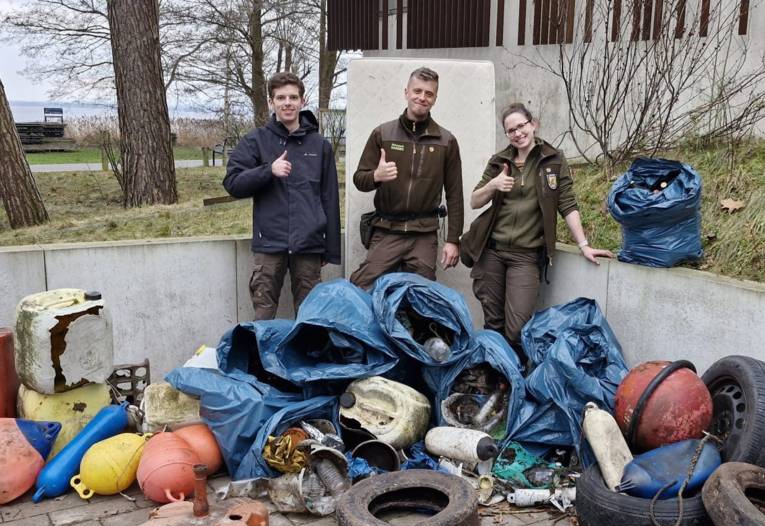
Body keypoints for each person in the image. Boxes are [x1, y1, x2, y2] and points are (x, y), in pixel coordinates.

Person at [460, 103, 613, 359]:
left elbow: (567, 203)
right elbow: (475, 200)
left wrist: (584, 244)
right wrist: (494, 185)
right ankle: (497, 377)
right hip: (492, 253)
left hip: (526, 256)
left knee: (518, 326)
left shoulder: (553, 159)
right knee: (493, 322)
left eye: (521, 126)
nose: (517, 133)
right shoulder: (500, 161)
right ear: (506, 134)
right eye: (511, 130)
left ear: (533, 124)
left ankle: (514, 372)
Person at [223, 72, 340, 320]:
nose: (287, 102)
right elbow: (233, 183)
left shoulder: (320, 146)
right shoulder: (256, 140)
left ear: (302, 101)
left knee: (311, 318)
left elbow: (330, 199)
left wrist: (329, 250)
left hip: (308, 245)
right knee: (264, 314)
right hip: (270, 244)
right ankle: (259, 360)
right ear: (271, 102)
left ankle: (306, 358)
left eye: (293, 97)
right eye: (281, 97)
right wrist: (268, 171)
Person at [349, 67, 464, 290]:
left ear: (435, 98)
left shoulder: (446, 141)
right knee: (360, 287)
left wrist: (453, 240)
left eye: (429, 93)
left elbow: (455, 195)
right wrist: (376, 176)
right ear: (406, 92)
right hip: (386, 230)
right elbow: (358, 180)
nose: (422, 97)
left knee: (423, 298)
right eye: (417, 91)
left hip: (423, 234)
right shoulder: (382, 133)